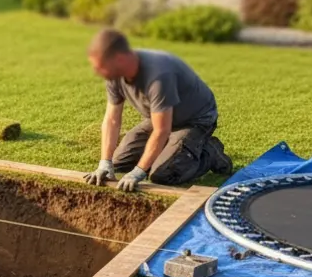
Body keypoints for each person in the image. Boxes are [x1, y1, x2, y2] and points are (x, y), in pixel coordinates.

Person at [83, 28, 232, 192]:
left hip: (195, 120)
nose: (97, 72)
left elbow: (162, 131)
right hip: (160, 116)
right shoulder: (114, 75)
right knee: (119, 161)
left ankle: (210, 152)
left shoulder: (158, 76)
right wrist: (105, 162)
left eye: (100, 67)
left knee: (162, 174)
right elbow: (112, 119)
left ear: (119, 59)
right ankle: (170, 149)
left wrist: (138, 172)